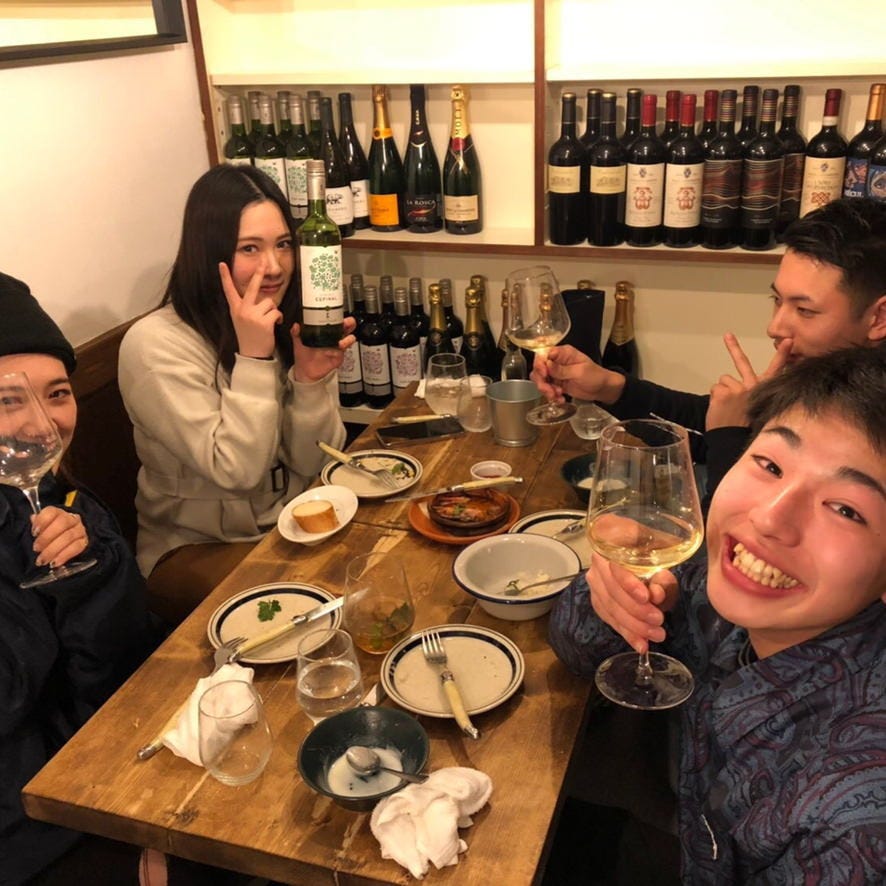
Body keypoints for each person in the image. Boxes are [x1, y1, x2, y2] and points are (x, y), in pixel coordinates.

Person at [549, 346, 886, 882]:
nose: (770, 518)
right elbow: (575, 646)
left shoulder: (855, 822)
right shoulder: (717, 579)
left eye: (845, 509)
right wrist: (615, 598)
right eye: (770, 465)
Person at [118, 164, 355, 625]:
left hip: (285, 524)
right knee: (323, 607)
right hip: (193, 548)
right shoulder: (154, 345)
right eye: (250, 248)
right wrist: (254, 358)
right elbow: (238, 472)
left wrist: (309, 381)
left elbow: (314, 462)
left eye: (283, 244)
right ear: (210, 253)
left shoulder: (277, 318)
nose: (274, 267)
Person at [532, 197, 886, 498]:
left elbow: (736, 528)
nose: (775, 328)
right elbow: (705, 430)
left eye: (805, 311)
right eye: (777, 300)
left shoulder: (864, 434)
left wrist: (729, 435)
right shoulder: (824, 381)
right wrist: (609, 387)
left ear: (879, 318)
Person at [0, 272, 159, 885]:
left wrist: (94, 575)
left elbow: (120, 668)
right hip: (30, 830)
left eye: (58, 393)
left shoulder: (66, 504)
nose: (42, 426)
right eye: (8, 400)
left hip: (93, 771)